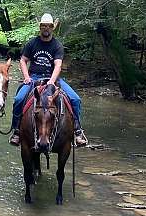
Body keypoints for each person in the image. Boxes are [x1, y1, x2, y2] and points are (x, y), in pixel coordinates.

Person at [9, 14, 87, 146]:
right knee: (18, 99)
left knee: (75, 99)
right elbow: (23, 60)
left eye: (49, 26)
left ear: (52, 28)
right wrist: (26, 77)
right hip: (34, 77)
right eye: (43, 26)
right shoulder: (32, 43)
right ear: (40, 27)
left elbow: (58, 65)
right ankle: (16, 131)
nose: (46, 28)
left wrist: (52, 80)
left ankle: (77, 130)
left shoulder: (57, 45)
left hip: (53, 78)